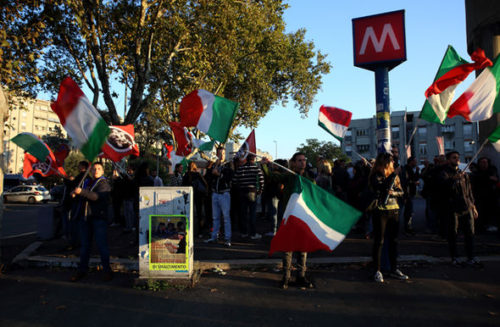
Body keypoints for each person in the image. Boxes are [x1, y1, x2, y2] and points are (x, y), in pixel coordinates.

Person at [262, 152, 314, 289]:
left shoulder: (309, 178)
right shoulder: (290, 176)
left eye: (304, 160)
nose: (303, 162)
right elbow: (272, 177)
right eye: (299, 160)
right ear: (294, 163)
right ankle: (286, 277)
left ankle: (301, 276)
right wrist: (265, 166)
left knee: (303, 249)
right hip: (290, 216)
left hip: (303, 218)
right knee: (288, 248)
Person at [369, 152, 408, 283]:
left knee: (394, 241)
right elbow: (380, 187)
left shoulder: (395, 176)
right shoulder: (376, 174)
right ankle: (377, 270)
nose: (393, 163)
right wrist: (393, 175)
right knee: (379, 241)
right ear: (385, 162)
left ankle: (394, 268)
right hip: (380, 211)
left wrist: (394, 192)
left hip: (394, 210)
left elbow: (402, 191)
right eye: (391, 161)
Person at [70, 162, 113, 282]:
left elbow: (95, 197)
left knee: (102, 246)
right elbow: (83, 196)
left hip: (98, 219)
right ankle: (82, 270)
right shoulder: (87, 182)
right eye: (94, 169)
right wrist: (75, 193)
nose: (96, 171)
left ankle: (107, 271)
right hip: (86, 218)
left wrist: (82, 192)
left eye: (99, 169)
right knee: (85, 247)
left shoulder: (104, 183)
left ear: (103, 171)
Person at [439, 151, 481, 266]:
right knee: (453, 233)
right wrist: (453, 179)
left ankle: (471, 257)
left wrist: (473, 206)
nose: (457, 159)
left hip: (466, 207)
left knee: (470, 233)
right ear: (448, 160)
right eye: (454, 158)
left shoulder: (464, 174)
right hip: (453, 208)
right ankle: (454, 257)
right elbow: (443, 188)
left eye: (458, 157)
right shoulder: (444, 173)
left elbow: (469, 191)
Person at [204, 147, 233, 246]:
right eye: (220, 154)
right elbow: (208, 178)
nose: (221, 156)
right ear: (217, 154)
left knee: (226, 217)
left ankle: (227, 238)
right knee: (215, 217)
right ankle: (214, 236)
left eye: (223, 154)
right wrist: (212, 169)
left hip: (224, 194)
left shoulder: (228, 166)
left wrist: (219, 174)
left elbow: (229, 178)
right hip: (215, 193)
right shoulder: (214, 166)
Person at [233, 154, 265, 240]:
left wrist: (239, 188)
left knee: (243, 213)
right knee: (252, 213)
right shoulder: (256, 168)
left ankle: (244, 232)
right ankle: (253, 233)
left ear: (246, 159)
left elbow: (235, 181)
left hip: (242, 192)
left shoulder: (240, 168)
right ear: (253, 160)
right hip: (252, 192)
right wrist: (260, 191)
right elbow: (261, 180)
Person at [183, 161, 209, 237]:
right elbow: (205, 184)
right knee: (199, 214)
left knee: (188, 214)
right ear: (195, 167)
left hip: (189, 197)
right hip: (199, 196)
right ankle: (200, 232)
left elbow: (183, 186)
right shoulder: (197, 174)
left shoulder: (186, 175)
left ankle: (188, 231)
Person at [402, 156, 420, 235]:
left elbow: (415, 178)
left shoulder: (411, 169)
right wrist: (413, 183)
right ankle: (407, 228)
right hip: (407, 193)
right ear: (411, 162)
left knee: (409, 211)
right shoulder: (406, 169)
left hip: (410, 193)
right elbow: (405, 181)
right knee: (408, 212)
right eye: (415, 161)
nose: (416, 163)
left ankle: (408, 227)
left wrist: (416, 172)